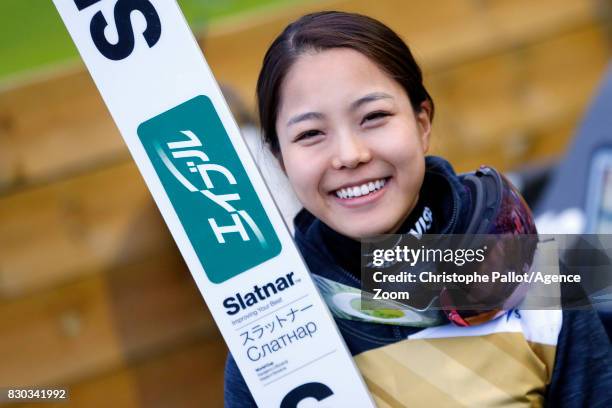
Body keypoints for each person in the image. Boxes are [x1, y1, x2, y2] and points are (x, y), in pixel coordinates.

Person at [224, 11, 612, 407]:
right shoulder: (271, 337)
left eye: (373, 117)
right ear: (279, 160)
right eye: (310, 134)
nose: (350, 155)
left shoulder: (531, 275)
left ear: (422, 121)